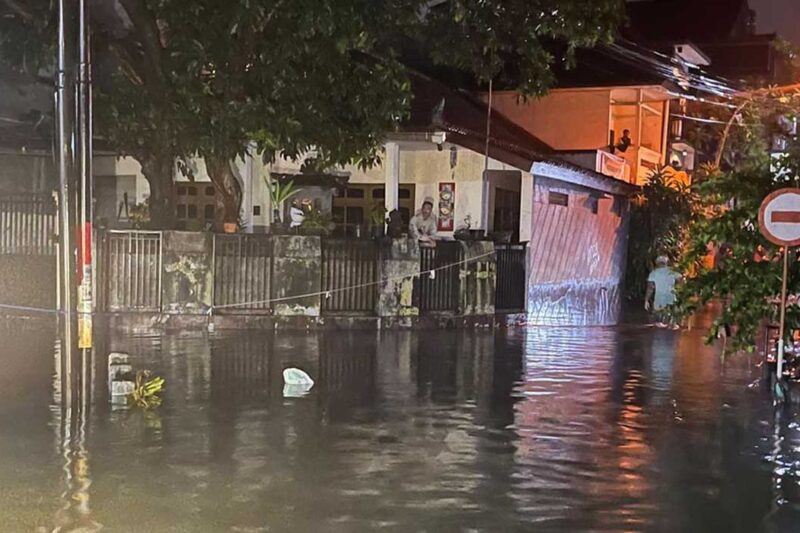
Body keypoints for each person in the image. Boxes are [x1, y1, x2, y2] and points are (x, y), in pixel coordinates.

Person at [645, 255, 681, 328]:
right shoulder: (673, 272)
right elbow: (681, 280)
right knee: (672, 323)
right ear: (667, 263)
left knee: (658, 323)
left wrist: (646, 300)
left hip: (659, 300)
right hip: (671, 299)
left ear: (657, 263)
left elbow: (650, 288)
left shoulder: (653, 273)